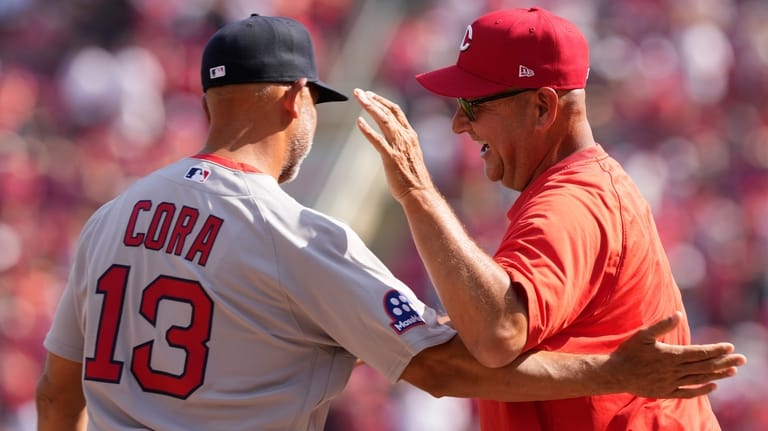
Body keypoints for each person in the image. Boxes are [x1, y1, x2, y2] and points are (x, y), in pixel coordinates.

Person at [35, 13, 745, 431]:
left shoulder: (110, 219)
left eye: (475, 105)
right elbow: (449, 362)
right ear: (294, 103)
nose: (461, 123)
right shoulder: (297, 236)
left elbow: (58, 390)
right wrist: (613, 370)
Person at [354, 6, 738, 431]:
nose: (460, 124)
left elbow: (498, 333)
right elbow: (497, 335)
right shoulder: (582, 189)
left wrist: (418, 193)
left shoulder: (572, 203)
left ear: (541, 107)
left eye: (473, 104)